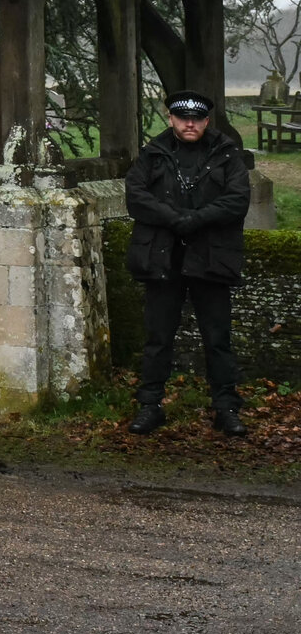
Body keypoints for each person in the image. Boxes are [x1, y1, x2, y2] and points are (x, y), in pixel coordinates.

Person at [124, 91, 251, 438]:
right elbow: (136, 195)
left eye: (196, 119)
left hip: (211, 259)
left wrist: (196, 219)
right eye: (183, 118)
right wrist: (173, 218)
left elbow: (237, 199)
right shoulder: (153, 153)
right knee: (158, 337)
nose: (190, 124)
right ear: (171, 119)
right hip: (163, 259)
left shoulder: (227, 154)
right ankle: (150, 406)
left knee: (218, 338)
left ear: (207, 121)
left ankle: (226, 409)